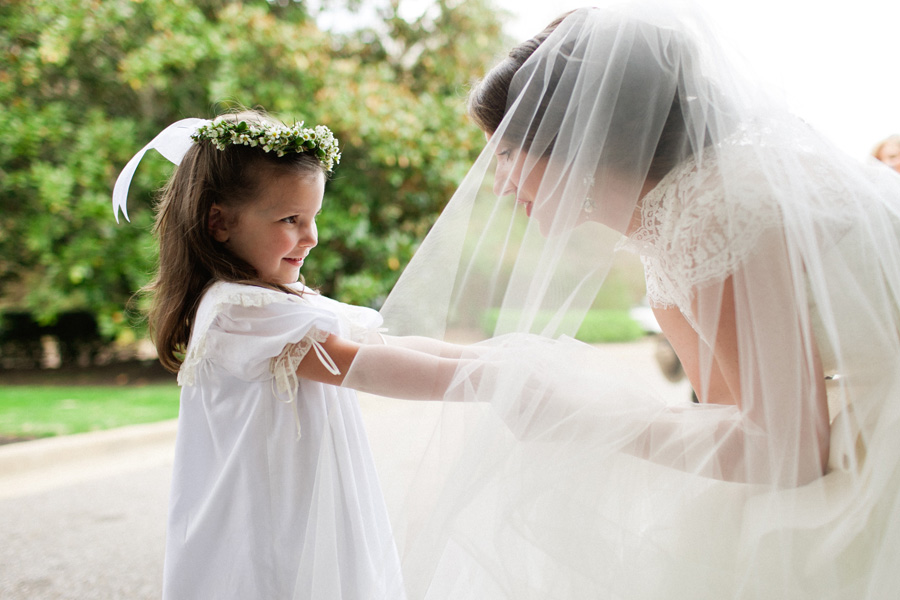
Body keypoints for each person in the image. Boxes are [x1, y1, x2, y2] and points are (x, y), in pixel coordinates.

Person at [376, 3, 900, 598]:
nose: (497, 184)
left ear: (575, 137)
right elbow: (728, 410)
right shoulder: (664, 226)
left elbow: (789, 451)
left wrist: (586, 416)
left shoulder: (719, 205)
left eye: (503, 154)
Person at [112, 110, 481, 599]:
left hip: (303, 511)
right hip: (270, 529)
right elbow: (364, 366)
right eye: (291, 220)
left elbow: (384, 344)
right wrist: (489, 383)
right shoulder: (238, 310)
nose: (311, 238)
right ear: (219, 222)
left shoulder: (281, 301)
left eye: (313, 219)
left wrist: (489, 360)